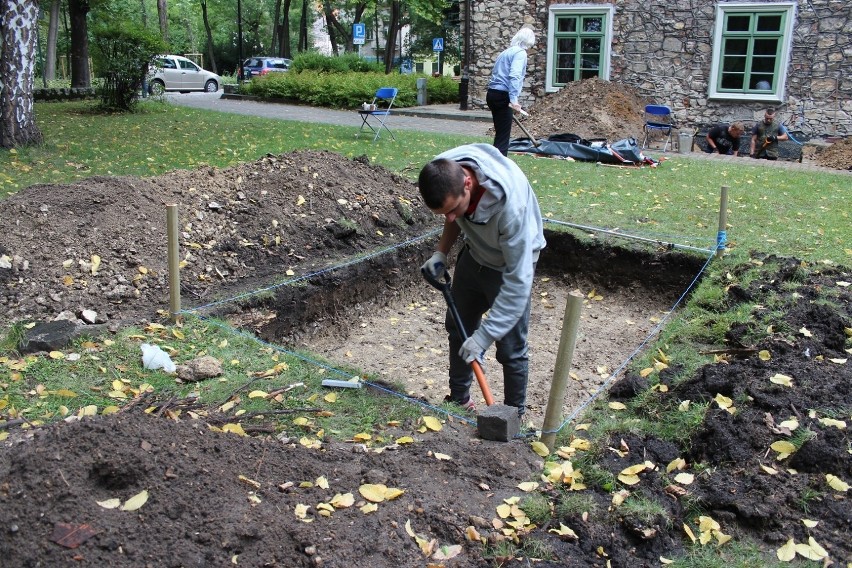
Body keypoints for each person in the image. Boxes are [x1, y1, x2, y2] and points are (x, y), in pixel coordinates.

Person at [418, 143, 546, 417]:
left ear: (468, 182)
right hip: (475, 255)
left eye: (455, 209)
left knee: (511, 349)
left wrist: (485, 336)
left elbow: (517, 283)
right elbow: (451, 214)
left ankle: (513, 417)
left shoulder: (511, 209)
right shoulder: (445, 169)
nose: (451, 218)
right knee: (459, 329)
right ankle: (459, 399)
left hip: (509, 265)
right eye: (444, 213)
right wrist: (442, 251)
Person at [486, 27, 536, 156]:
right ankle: (499, 165)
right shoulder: (520, 53)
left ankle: (495, 161)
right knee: (503, 136)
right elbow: (514, 75)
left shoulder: (506, 52)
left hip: (492, 93)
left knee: (500, 133)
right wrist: (514, 100)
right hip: (503, 95)